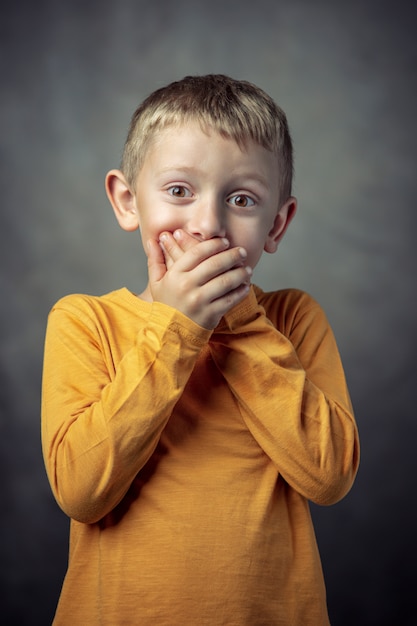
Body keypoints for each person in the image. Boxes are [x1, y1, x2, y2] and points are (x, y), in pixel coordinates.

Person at [41, 74, 360, 625]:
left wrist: (236, 320)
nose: (207, 225)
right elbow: (80, 490)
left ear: (276, 225)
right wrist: (175, 326)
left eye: (241, 199)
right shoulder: (84, 321)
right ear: (126, 201)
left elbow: (328, 476)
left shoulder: (291, 319)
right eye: (179, 191)